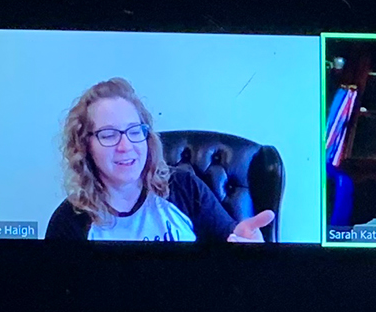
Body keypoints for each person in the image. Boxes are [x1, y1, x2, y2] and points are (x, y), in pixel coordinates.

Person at [44, 77, 274, 242]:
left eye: (134, 131)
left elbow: (230, 241)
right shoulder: (68, 222)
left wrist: (248, 250)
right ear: (85, 145)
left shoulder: (185, 188)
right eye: (109, 134)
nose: (126, 146)